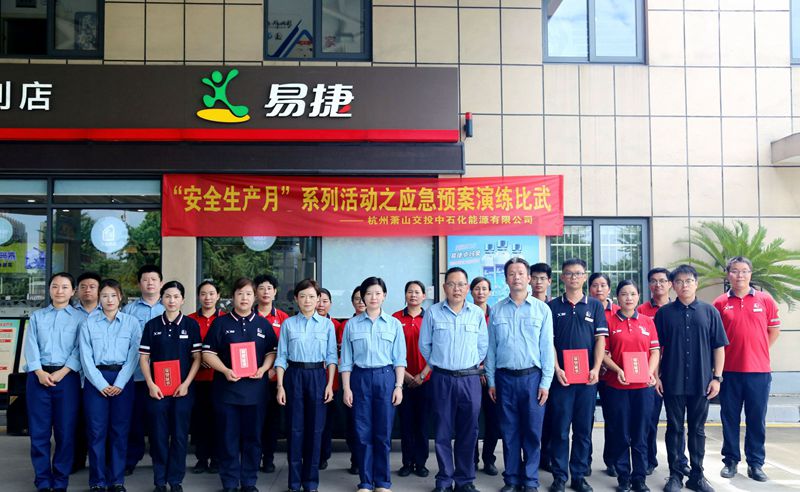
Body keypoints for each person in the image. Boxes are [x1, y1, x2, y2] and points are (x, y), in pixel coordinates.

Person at [655, 265, 728, 492]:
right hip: (672, 380)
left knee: (697, 430)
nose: (684, 285)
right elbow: (655, 349)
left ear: (696, 283)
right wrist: (656, 376)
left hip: (701, 382)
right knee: (674, 429)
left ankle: (697, 475)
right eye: (679, 281)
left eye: (688, 281)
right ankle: (675, 475)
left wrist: (717, 377)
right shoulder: (664, 314)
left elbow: (719, 346)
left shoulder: (709, 312)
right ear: (673, 286)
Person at [202, 278, 278, 492]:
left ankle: (249, 482)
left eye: (248, 294)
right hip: (227, 392)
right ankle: (229, 482)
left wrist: (263, 369)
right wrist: (225, 370)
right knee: (228, 439)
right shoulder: (221, 323)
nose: (244, 298)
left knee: (253, 439)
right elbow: (207, 353)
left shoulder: (263, 324)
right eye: (240, 293)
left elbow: (272, 352)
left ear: (254, 297)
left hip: (256, 392)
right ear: (233, 297)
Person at [485, 258, 554, 492]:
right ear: (506, 279)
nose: (516, 277)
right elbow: (491, 349)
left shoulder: (542, 310)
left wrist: (545, 383)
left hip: (532, 379)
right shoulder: (497, 310)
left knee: (533, 432)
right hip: (504, 379)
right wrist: (491, 381)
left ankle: (531, 480)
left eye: (521, 273)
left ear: (529, 278)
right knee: (509, 432)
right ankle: (512, 479)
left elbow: (547, 349)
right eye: (511, 274)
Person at [419, 267, 488, 492]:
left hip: (470, 380)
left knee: (469, 431)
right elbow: (425, 345)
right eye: (451, 284)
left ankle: (465, 480)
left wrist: (467, 363)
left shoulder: (476, 314)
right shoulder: (433, 313)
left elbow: (483, 346)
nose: (456, 289)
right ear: (444, 287)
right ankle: (444, 480)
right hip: (442, 379)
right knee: (442, 431)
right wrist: (440, 362)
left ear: (467, 287)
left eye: (461, 284)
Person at [714, 257, 780, 482]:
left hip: (759, 372)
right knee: (729, 418)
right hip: (729, 372)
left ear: (751, 274)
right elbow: (715, 339)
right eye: (735, 271)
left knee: (756, 419)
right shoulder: (720, 303)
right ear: (728, 275)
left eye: (744, 271)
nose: (739, 275)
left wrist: (758, 350)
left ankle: (756, 463)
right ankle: (730, 461)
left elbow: (774, 331)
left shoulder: (765, 300)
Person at [547, 259, 608, 492]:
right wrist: (556, 368)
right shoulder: (553, 306)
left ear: (584, 277)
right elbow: (549, 342)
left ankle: (579, 476)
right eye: (569, 273)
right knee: (560, 430)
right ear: (562, 277)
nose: (573, 277)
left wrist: (596, 368)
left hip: (587, 380)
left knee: (583, 431)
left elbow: (600, 340)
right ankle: (559, 477)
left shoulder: (595, 306)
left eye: (578, 273)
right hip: (561, 380)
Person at [341, 277, 407, 492]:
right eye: (368, 293)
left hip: (385, 378)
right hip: (360, 379)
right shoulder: (352, 325)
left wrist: (398, 386)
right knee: (362, 433)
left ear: (384, 296)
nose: (373, 297)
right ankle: (365, 482)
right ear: (362, 297)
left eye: (378, 293)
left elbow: (400, 359)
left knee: (383, 433)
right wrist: (346, 388)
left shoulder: (394, 324)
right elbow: (346, 360)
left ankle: (383, 482)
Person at [274, 279, 337, 492]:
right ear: (296, 299)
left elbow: (331, 357)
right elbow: (281, 356)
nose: (307, 300)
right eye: (303, 296)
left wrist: (329, 384)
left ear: (318, 299)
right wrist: (280, 386)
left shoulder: (327, 325)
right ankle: (294, 483)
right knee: (295, 430)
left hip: (318, 376)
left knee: (315, 430)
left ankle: (310, 483)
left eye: (311, 296)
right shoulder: (288, 324)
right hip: (294, 376)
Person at [139, 281, 203, 492]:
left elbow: (197, 358)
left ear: (182, 300)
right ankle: (159, 480)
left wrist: (186, 384)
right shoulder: (152, 325)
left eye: (176, 297)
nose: (172, 300)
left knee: (179, 436)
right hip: (157, 391)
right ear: (161, 299)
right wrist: (150, 384)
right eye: (167, 296)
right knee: (158, 436)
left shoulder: (191, 325)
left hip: (183, 391)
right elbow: (144, 358)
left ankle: (175, 480)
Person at [79, 279, 142, 492]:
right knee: (96, 432)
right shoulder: (88, 323)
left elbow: (134, 356)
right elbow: (85, 357)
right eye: (104, 295)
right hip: (95, 381)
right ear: (99, 298)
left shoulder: (131, 323)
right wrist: (100, 383)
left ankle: (117, 480)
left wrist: (120, 382)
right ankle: (97, 481)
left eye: (113, 295)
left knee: (119, 432)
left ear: (120, 297)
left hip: (122, 381)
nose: (109, 300)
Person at [24, 272, 82, 492]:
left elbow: (80, 349)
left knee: (65, 432)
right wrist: (39, 371)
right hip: (38, 378)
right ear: (49, 289)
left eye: (65, 287)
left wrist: (63, 371)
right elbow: (31, 345)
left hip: (67, 379)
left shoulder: (80, 319)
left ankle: (60, 479)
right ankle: (42, 479)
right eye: (55, 286)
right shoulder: (37, 317)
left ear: (73, 291)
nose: (59, 291)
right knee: (39, 433)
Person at [601, 280, 660, 492]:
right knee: (620, 433)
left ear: (638, 296)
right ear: (617, 297)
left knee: (641, 434)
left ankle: (639, 479)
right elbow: (603, 354)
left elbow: (654, 351)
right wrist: (618, 370)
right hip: (617, 387)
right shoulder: (609, 322)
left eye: (633, 294)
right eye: (624, 294)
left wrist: (650, 372)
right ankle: (623, 477)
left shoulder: (647, 322)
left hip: (643, 389)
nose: (629, 298)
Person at [637, 268, 688, 477]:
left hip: (676, 372)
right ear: (649, 285)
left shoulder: (680, 308)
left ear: (670, 284)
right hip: (651, 374)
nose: (658, 285)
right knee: (649, 420)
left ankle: (680, 461)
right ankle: (649, 459)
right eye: (653, 281)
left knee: (677, 422)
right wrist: (653, 374)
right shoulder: (640, 310)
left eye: (662, 281)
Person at [122, 264, 165, 476]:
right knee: (135, 420)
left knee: (159, 421)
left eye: (154, 279)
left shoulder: (168, 307)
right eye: (145, 279)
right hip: (136, 376)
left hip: (163, 376)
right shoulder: (128, 310)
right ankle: (131, 459)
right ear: (139, 284)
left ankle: (160, 460)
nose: (150, 283)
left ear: (161, 283)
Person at [393, 280, 431, 478]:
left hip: (426, 379)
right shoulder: (395, 319)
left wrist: (422, 375)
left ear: (424, 296)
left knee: (422, 424)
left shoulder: (431, 318)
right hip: (403, 380)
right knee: (406, 424)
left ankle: (421, 463)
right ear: (405, 295)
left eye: (417, 292)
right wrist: (406, 376)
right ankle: (407, 462)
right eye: (410, 291)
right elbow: (391, 351)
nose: (413, 295)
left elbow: (436, 350)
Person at [254, 274, 290, 474]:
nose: (266, 292)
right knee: (253, 421)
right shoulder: (248, 316)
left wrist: (274, 370)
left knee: (271, 422)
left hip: (275, 380)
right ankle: (252, 457)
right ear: (255, 292)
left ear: (275, 292)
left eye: (269, 288)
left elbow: (286, 350)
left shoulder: (283, 318)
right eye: (261, 288)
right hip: (250, 379)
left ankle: (268, 458)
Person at [188, 280, 224, 474]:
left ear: (218, 296)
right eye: (203, 294)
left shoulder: (225, 319)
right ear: (198, 296)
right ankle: (201, 459)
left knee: (219, 419)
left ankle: (217, 459)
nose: (207, 297)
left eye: (211, 293)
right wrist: (197, 360)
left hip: (219, 379)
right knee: (200, 421)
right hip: (197, 379)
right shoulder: (190, 320)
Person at [588, 272, 619, 478]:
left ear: (609, 288)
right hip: (587, 373)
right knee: (586, 420)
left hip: (611, 375)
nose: (599, 289)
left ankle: (612, 461)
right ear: (589, 288)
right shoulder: (585, 307)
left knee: (613, 419)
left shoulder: (618, 311)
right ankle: (585, 460)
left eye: (603, 285)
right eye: (595, 285)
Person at [470, 276, 500, 477]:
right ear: (471, 291)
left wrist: (487, 370)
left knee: (493, 421)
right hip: (471, 374)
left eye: (484, 289)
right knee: (470, 420)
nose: (481, 292)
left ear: (490, 292)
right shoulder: (467, 313)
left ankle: (489, 459)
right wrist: (478, 368)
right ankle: (471, 460)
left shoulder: (496, 314)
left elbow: (496, 345)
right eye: (477, 288)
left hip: (493, 377)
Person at [72, 271, 102, 474]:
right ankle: (76, 459)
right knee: (76, 420)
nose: (87, 290)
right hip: (74, 375)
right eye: (83, 287)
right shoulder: (71, 313)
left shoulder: (107, 312)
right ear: (76, 291)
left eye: (92, 286)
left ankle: (100, 463)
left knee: (98, 423)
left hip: (100, 377)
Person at [529, 262, 553, 473]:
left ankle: (546, 457)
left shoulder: (554, 306)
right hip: (531, 373)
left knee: (551, 418)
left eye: (542, 278)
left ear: (549, 282)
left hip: (552, 370)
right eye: (535, 278)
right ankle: (528, 460)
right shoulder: (525, 306)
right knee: (531, 420)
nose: (538, 282)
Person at [340, 285, 367, 476]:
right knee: (353, 423)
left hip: (372, 378)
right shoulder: (347, 325)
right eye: (357, 299)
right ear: (352, 302)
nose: (361, 302)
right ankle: (356, 459)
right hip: (352, 378)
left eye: (363, 298)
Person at [318, 287, 345, 471]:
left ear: (330, 304)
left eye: (325, 301)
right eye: (318, 300)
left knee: (327, 421)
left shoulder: (336, 325)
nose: (321, 304)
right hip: (310, 377)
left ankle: (323, 455)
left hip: (331, 380)